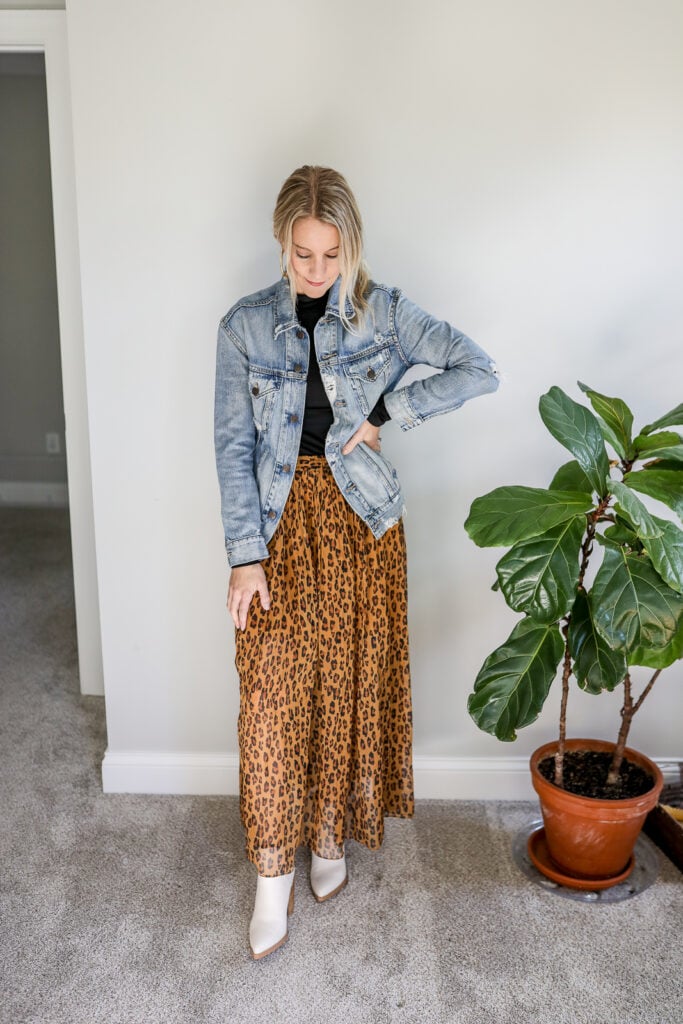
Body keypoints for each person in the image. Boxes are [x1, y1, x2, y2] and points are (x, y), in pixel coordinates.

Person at [214, 165, 499, 960]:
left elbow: (479, 368)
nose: (315, 271)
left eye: (330, 255)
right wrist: (245, 558)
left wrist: (386, 412)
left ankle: (330, 837)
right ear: (280, 242)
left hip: (360, 524)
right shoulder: (242, 327)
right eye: (302, 253)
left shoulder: (386, 314)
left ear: (351, 246)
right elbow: (233, 449)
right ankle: (272, 876)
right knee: (271, 696)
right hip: (276, 526)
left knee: (344, 686)